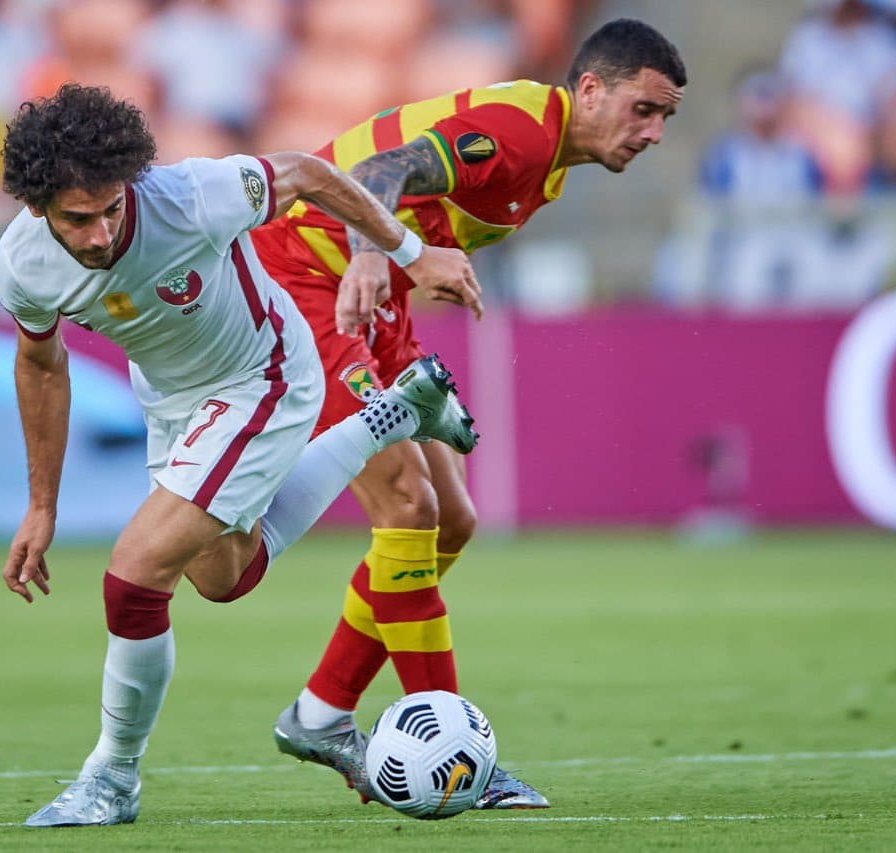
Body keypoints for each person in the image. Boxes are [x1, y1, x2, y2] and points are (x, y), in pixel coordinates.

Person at [0, 83, 482, 827]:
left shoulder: (193, 196)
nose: (97, 235)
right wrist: (41, 504)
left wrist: (409, 254)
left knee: (134, 575)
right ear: (36, 208)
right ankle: (395, 413)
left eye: (110, 209)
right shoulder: (23, 264)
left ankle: (112, 777)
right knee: (223, 577)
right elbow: (40, 365)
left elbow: (312, 175)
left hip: (265, 373)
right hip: (172, 400)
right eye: (76, 219)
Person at [250, 18, 686, 810]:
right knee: (409, 505)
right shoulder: (517, 135)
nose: (653, 132)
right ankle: (460, 763)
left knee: (452, 517)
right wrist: (378, 254)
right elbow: (382, 168)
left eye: (666, 119)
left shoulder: (545, 156)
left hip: (373, 298)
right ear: (589, 89)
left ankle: (320, 712)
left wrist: (396, 266)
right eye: (643, 109)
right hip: (312, 277)